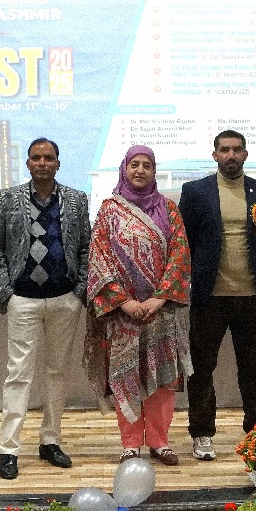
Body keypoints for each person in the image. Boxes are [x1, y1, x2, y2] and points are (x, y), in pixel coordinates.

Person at [0, 138, 91, 480]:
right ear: (28, 163)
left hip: (65, 299)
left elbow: (86, 247)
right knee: (18, 374)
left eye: (49, 158)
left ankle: (50, 441)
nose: (43, 163)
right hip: (23, 299)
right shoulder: (8, 198)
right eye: (36, 158)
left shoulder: (76, 199)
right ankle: (9, 449)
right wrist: (6, 291)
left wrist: (79, 292)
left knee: (57, 372)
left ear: (58, 163)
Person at [84, 145, 192, 465]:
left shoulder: (168, 209)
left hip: (162, 312)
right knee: (125, 374)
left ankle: (159, 441)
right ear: (124, 169)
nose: (140, 170)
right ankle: (130, 443)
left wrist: (159, 298)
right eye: (135, 164)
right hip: (124, 315)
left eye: (147, 165)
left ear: (154, 171)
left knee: (162, 377)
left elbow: (180, 255)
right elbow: (99, 258)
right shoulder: (109, 210)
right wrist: (124, 302)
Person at [179, 130, 256, 461]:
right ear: (215, 155)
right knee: (201, 368)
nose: (231, 155)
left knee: (254, 369)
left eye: (236, 150)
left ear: (245, 154)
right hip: (209, 297)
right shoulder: (195, 191)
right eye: (225, 150)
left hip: (251, 296)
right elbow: (186, 240)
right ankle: (202, 433)